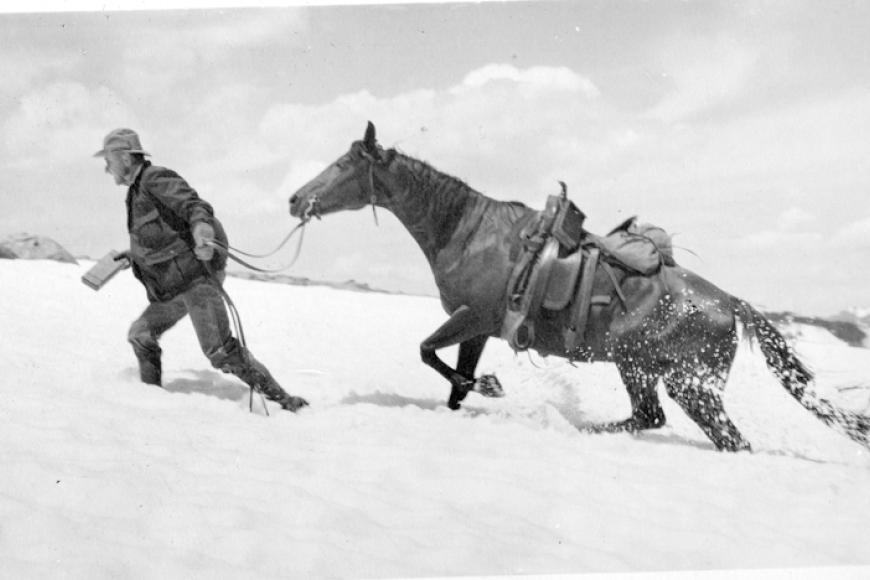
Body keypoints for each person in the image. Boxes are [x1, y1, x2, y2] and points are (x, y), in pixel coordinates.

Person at [94, 128, 308, 412]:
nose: (106, 169)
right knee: (141, 334)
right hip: (170, 289)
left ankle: (285, 401)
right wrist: (133, 256)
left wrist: (202, 231)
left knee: (220, 352)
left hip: (196, 283)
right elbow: (163, 237)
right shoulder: (135, 191)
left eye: (108, 160)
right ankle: (150, 401)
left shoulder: (155, 178)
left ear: (123, 158)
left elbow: (194, 207)